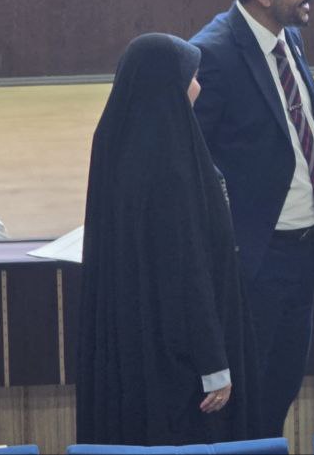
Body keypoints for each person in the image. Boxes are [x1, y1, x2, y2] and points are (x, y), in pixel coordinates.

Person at [77, 33, 259, 445]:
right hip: (182, 369)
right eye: (191, 77)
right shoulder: (171, 171)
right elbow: (188, 274)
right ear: (167, 86)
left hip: (136, 351)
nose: (198, 86)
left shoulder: (120, 148)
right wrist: (214, 364)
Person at [191, 0, 314, 437]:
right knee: (247, 409)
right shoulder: (211, 55)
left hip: (302, 255)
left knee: (278, 394)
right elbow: (191, 167)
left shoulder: (287, 38)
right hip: (254, 267)